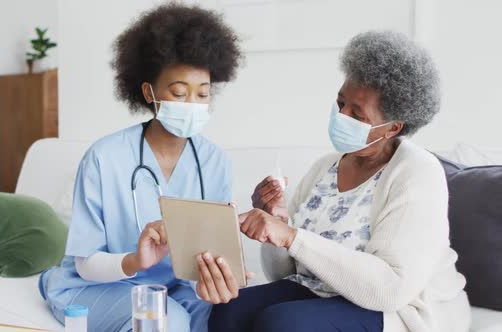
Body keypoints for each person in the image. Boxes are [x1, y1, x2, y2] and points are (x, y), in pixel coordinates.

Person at [207, 31, 471, 332]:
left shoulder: (417, 173)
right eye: (341, 102)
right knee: (230, 308)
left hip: (400, 310)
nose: (341, 115)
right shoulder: (325, 167)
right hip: (323, 294)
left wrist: (291, 235)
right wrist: (276, 221)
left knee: (282, 323)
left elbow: (391, 289)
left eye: (357, 113)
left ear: (393, 126)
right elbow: (285, 274)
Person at [37, 4, 243, 332]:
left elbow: (209, 249)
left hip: (174, 288)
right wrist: (136, 260)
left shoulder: (214, 161)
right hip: (96, 286)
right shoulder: (104, 157)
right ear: (149, 92)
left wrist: (221, 270)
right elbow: (86, 263)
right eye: (178, 92)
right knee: (166, 319)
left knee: (229, 316)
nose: (192, 105)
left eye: (202, 94)